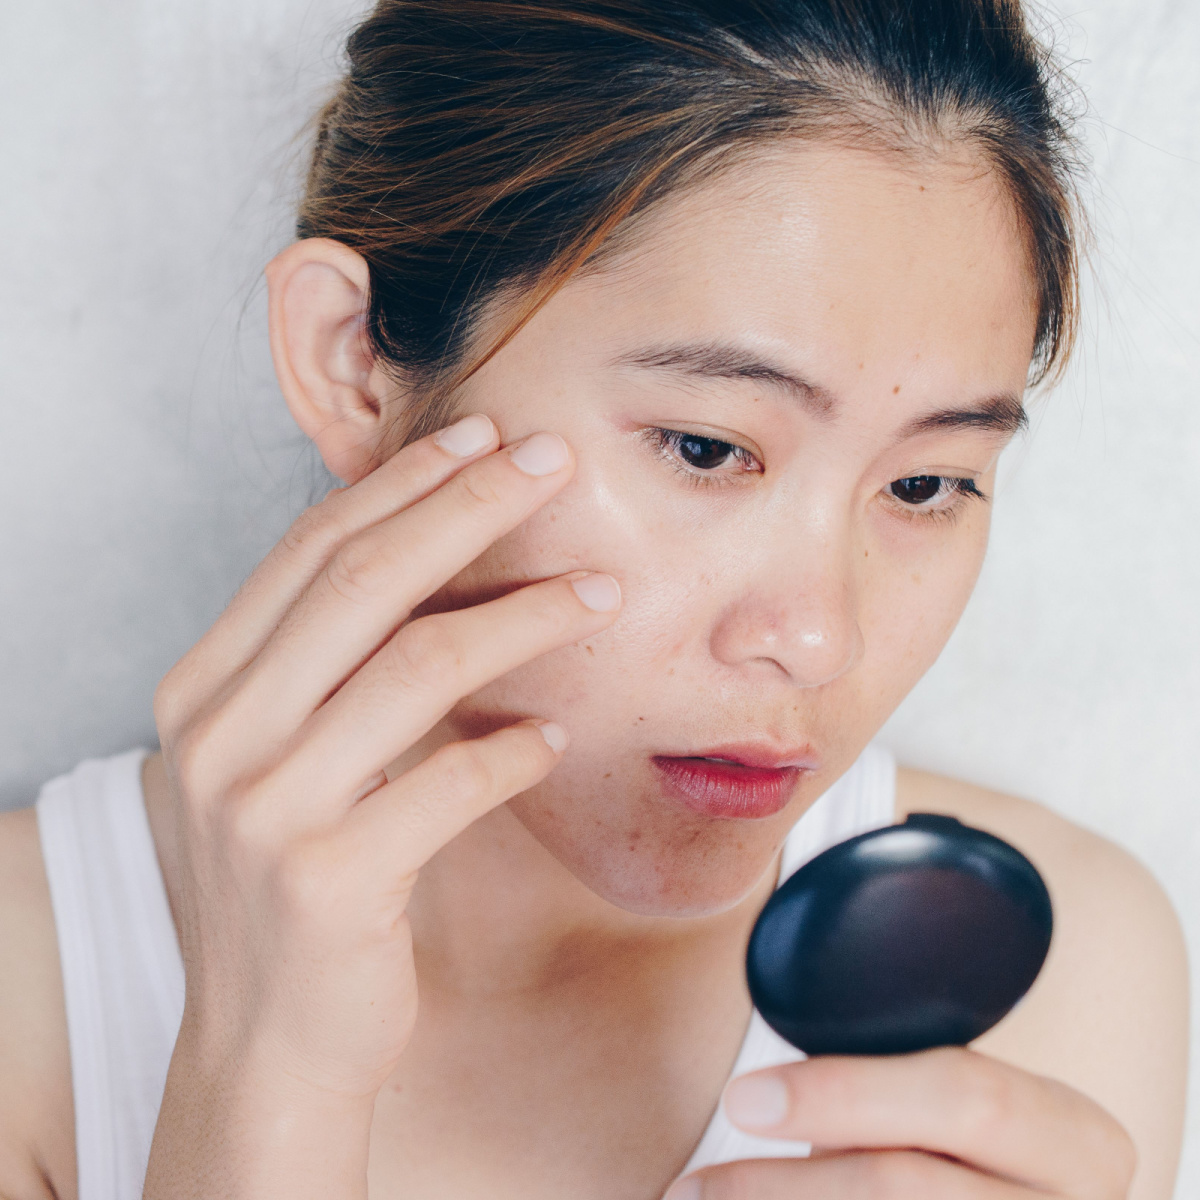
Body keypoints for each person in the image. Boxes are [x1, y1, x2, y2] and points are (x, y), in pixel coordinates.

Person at [0, 1, 1188, 1198]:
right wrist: (265, 1078)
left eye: (926, 483)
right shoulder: (26, 991)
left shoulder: (1041, 982)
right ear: (351, 357)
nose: (819, 639)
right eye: (708, 449)